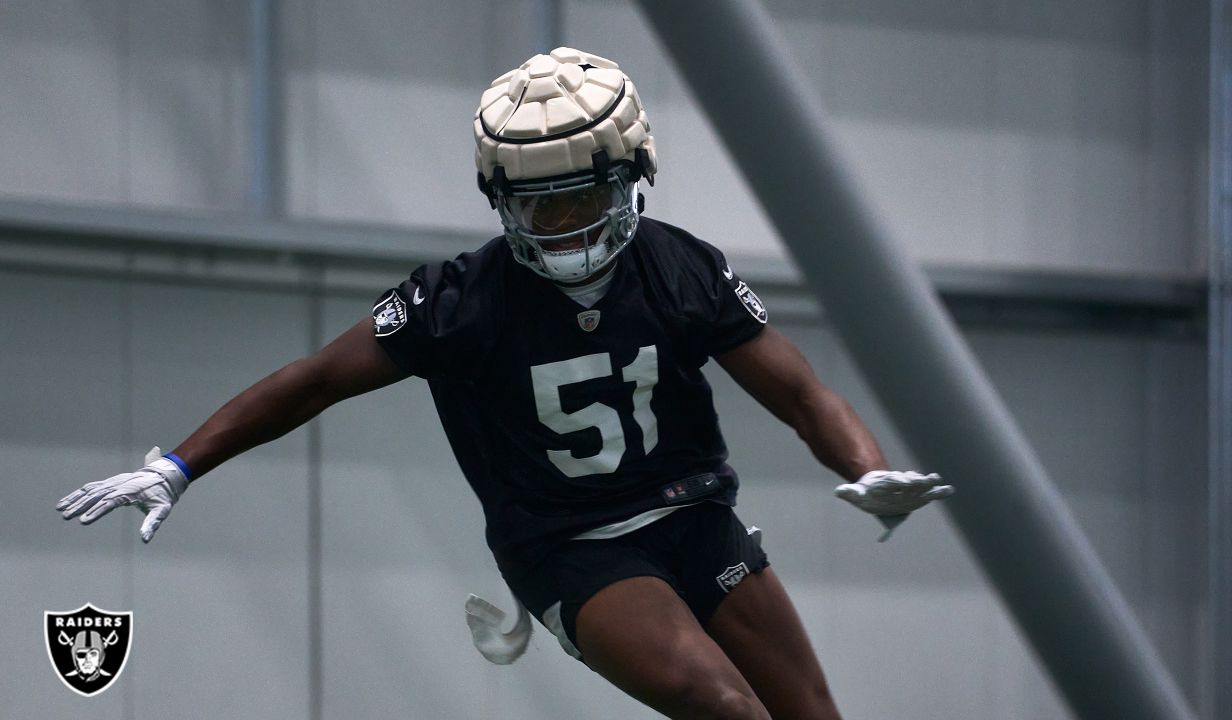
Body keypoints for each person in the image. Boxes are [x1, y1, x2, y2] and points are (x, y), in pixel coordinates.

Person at [56, 47, 952, 720]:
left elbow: (800, 395)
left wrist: (866, 468)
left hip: (695, 516)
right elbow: (311, 382)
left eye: (580, 198)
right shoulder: (459, 300)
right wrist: (179, 464)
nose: (564, 226)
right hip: (572, 547)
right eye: (541, 206)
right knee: (725, 708)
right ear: (500, 202)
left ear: (632, 176)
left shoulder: (680, 268)